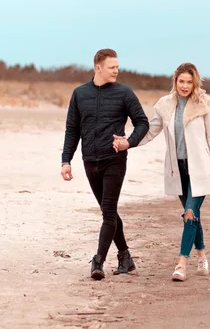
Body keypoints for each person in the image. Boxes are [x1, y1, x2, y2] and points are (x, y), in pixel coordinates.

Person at [113, 62, 210, 281]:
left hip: (201, 169)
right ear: (175, 81)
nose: (185, 86)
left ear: (195, 82)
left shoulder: (205, 104)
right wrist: (128, 143)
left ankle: (181, 264)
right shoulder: (165, 105)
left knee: (190, 214)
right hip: (178, 169)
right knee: (192, 216)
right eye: (181, 81)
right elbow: (150, 132)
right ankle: (202, 254)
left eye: (189, 82)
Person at [61, 48, 149, 280]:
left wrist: (128, 143)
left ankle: (98, 261)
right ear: (98, 68)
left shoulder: (124, 93)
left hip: (114, 160)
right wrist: (65, 160)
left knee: (108, 212)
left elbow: (142, 122)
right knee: (108, 211)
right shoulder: (80, 94)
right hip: (90, 160)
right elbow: (73, 129)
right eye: (112, 67)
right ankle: (125, 256)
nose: (116, 71)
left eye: (117, 67)